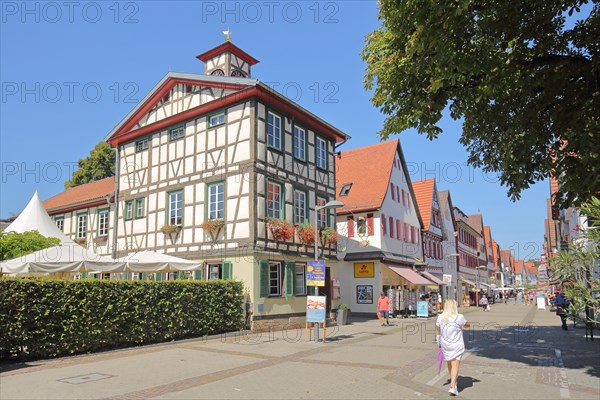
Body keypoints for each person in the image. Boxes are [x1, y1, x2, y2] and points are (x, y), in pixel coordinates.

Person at [436, 299, 470, 396]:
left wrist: (438, 336)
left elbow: (437, 328)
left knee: (450, 363)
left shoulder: (441, 317)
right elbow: (467, 324)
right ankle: (452, 386)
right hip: (457, 344)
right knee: (455, 364)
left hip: (445, 344)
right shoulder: (459, 317)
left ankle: (453, 384)